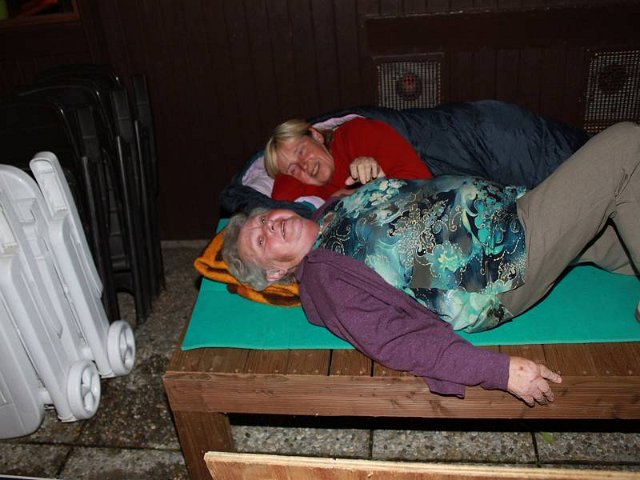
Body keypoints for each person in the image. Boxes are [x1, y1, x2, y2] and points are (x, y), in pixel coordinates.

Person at [223, 122, 640, 407]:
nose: (270, 225)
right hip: (499, 262)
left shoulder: (332, 209)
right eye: (261, 240)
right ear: (275, 272)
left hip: (510, 209)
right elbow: (393, 340)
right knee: (624, 144)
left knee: (623, 226)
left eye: (264, 219)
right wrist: (499, 372)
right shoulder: (324, 277)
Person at [264, 117, 433, 202]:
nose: (304, 165)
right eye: (293, 170)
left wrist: (370, 190)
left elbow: (423, 185)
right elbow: (280, 203)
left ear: (316, 136)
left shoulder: (356, 134)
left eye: (301, 151)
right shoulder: (309, 193)